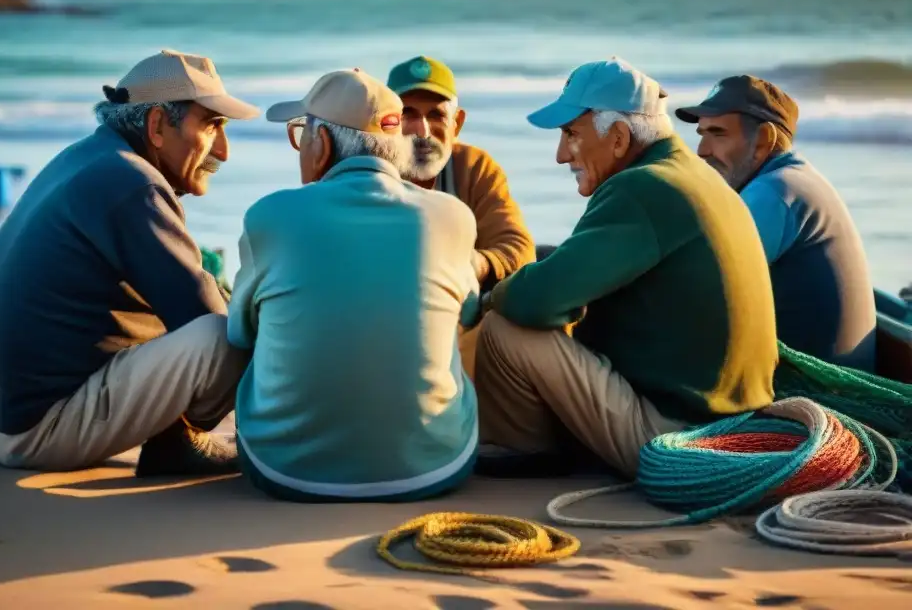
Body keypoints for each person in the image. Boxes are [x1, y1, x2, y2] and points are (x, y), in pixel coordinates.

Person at [468, 57, 779, 478]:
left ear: (617, 137)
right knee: (546, 262)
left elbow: (532, 302)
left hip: (678, 438)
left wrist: (487, 297)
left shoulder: (641, 187)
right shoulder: (691, 175)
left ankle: (524, 451)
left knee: (506, 327)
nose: (561, 155)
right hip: (730, 422)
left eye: (571, 134)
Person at [0, 49, 258, 476]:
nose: (223, 151)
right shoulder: (133, 184)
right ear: (157, 125)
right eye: (211, 126)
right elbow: (210, 321)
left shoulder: (89, 158)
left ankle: (178, 435)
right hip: (37, 431)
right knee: (223, 336)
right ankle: (180, 445)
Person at [225, 68, 480, 502]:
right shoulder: (452, 215)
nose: (300, 145)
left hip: (285, 472)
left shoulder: (270, 215)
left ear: (321, 144)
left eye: (301, 132)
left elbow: (238, 333)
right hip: (432, 471)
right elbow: (470, 314)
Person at [675, 75, 876, 371]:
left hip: (819, 391)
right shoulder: (793, 179)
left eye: (718, 134)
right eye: (701, 133)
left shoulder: (774, 193)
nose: (702, 151)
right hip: (826, 376)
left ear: (764, 141)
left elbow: (696, 293)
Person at [387, 55, 535, 378]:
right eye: (407, 114)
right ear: (387, 122)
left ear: (458, 123)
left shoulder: (473, 167)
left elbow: (519, 249)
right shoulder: (371, 172)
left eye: (436, 115)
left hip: (460, 323)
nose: (422, 130)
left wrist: (470, 264)